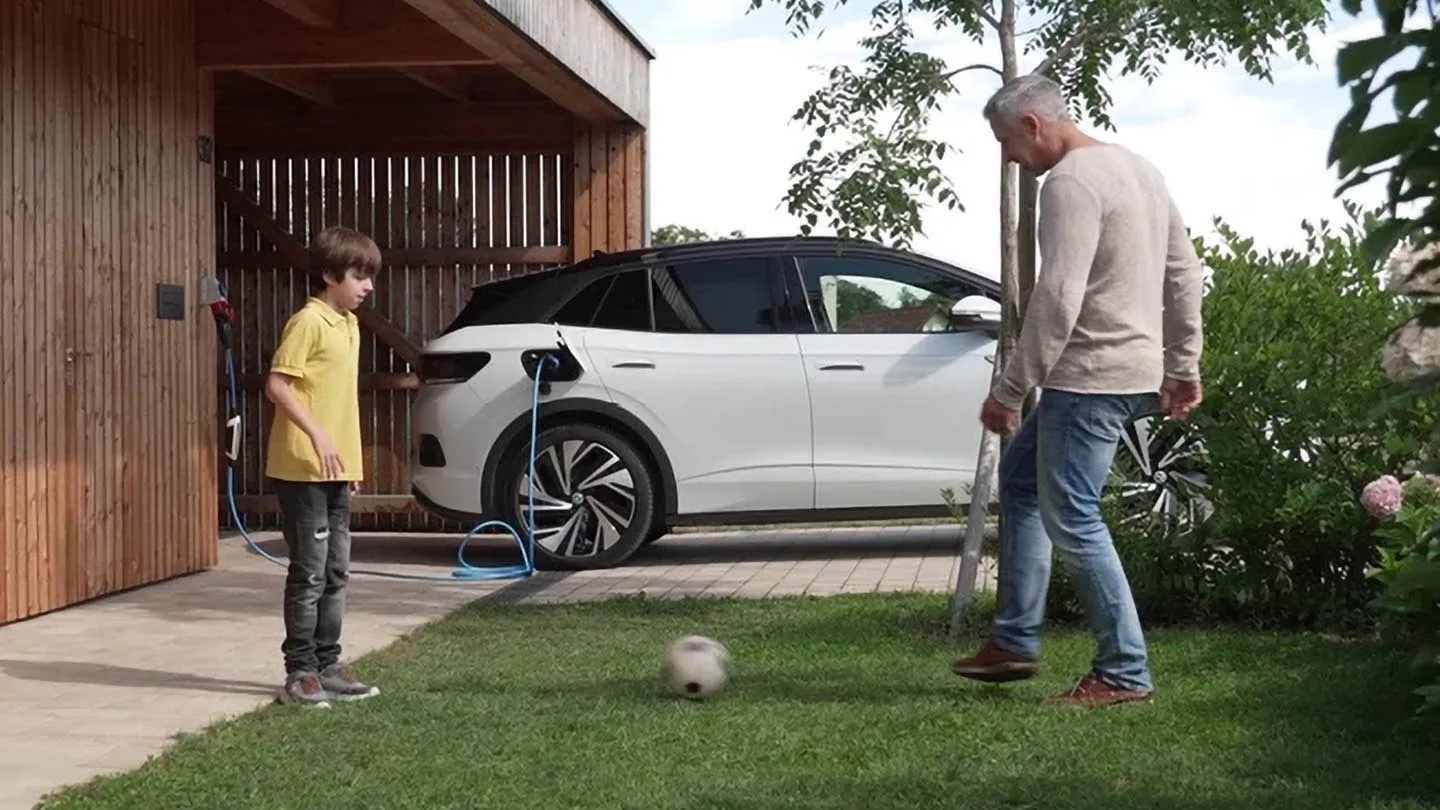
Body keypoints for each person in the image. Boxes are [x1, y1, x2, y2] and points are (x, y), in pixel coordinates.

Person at [949, 74, 1206, 708]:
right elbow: (1184, 272)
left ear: (1033, 126)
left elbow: (1058, 297)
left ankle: (1123, 671)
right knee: (1022, 482)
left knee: (1075, 515)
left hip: (1089, 376)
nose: (1010, 158)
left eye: (1007, 143)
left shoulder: (1068, 182)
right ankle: (1014, 640)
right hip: (1130, 372)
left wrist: (1010, 389)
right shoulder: (1140, 170)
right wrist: (1182, 364)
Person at [263, 225, 381, 708]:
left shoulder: (349, 325)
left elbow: (340, 402)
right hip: (302, 471)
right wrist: (317, 436)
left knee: (336, 572)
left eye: (370, 277)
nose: (367, 286)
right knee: (309, 574)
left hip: (334, 472)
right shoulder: (308, 322)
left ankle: (328, 665)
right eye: (358, 276)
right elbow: (277, 386)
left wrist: (349, 464)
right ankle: (300, 673)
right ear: (331, 276)